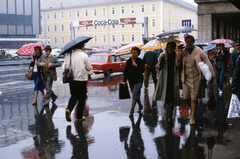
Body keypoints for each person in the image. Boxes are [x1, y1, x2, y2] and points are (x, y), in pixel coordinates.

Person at [176, 35, 215, 125]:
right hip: (186, 78)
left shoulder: (199, 51)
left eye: (190, 41)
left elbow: (207, 62)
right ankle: (192, 109)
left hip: (197, 78)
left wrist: (212, 75)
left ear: (193, 42)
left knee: (194, 98)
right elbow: (177, 65)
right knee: (186, 97)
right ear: (185, 42)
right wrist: (179, 56)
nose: (189, 43)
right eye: (187, 41)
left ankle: (192, 116)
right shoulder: (183, 52)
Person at [153, 42, 180, 123]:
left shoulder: (177, 56)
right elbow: (157, 67)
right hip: (165, 80)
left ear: (174, 48)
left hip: (173, 79)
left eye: (171, 47)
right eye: (168, 47)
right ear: (166, 48)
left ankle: (170, 115)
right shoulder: (163, 56)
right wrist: (161, 62)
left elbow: (179, 67)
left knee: (171, 98)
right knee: (167, 98)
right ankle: (170, 110)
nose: (170, 49)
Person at [64, 43, 92, 122]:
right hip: (82, 79)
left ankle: (68, 109)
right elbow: (89, 67)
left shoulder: (69, 55)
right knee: (82, 98)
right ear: (82, 46)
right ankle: (79, 116)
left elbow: (65, 67)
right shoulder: (84, 55)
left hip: (72, 79)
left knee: (74, 96)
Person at [123, 47, 145, 117]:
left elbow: (143, 70)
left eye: (135, 53)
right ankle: (140, 105)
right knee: (136, 95)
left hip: (139, 81)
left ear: (138, 54)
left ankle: (131, 110)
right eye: (132, 52)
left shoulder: (140, 61)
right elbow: (126, 71)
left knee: (134, 95)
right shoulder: (129, 61)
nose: (134, 54)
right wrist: (124, 81)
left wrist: (136, 66)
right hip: (131, 81)